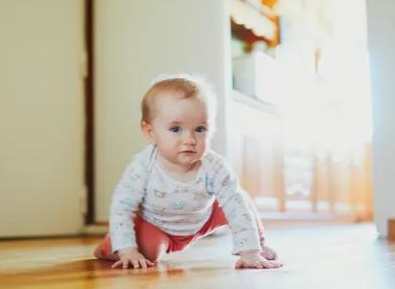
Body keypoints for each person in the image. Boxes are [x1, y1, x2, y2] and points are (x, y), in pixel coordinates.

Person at [94, 74, 282, 270]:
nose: (190, 139)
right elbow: (122, 207)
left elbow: (236, 206)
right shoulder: (143, 166)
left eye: (200, 129)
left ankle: (256, 247)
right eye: (176, 129)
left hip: (203, 220)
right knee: (148, 253)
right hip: (157, 226)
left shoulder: (214, 166)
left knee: (240, 199)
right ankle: (112, 245)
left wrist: (249, 252)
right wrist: (128, 250)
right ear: (150, 133)